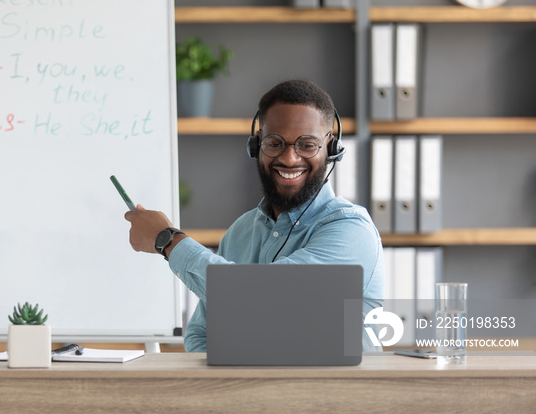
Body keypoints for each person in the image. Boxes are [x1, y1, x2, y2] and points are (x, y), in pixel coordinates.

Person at [124, 79, 384, 352]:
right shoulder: (240, 232)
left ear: (331, 148)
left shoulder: (352, 231)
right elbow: (201, 334)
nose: (290, 158)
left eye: (307, 145)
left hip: (335, 394)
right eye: (275, 142)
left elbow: (262, 297)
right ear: (256, 144)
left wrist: (168, 241)